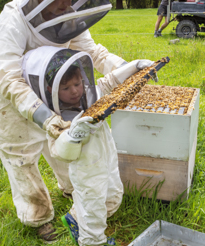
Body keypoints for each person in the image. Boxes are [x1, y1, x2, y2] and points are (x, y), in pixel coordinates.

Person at [0, 0, 154, 243]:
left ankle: (74, 191)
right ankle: (38, 217)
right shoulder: (13, 20)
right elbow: (7, 78)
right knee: (21, 156)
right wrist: (44, 117)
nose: (67, 3)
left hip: (57, 86)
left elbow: (94, 54)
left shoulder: (67, 13)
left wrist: (129, 68)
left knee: (67, 142)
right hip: (9, 95)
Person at [22, 46, 153, 246]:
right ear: (51, 90)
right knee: (92, 208)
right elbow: (60, 152)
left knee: (112, 196)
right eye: (66, 88)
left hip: (107, 158)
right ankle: (92, 241)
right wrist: (73, 136)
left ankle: (75, 217)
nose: (74, 91)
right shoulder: (55, 120)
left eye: (77, 84)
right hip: (86, 173)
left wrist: (135, 67)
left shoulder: (89, 95)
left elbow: (109, 82)